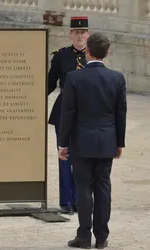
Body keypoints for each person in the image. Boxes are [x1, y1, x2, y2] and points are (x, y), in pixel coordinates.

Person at [58, 32, 127, 249]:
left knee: (84, 188)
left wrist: (63, 143)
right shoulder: (117, 78)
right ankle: (102, 236)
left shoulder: (74, 77)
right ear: (107, 53)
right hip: (107, 140)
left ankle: (84, 236)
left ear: (87, 51)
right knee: (103, 187)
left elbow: (67, 113)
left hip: (82, 141)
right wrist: (119, 143)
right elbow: (120, 114)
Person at [48, 16, 90, 214]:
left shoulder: (93, 55)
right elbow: (50, 83)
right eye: (76, 32)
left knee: (85, 158)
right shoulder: (60, 56)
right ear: (70, 34)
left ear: (88, 34)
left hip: (88, 113)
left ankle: (81, 200)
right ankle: (66, 200)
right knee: (64, 156)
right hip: (63, 112)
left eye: (83, 32)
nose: (80, 36)